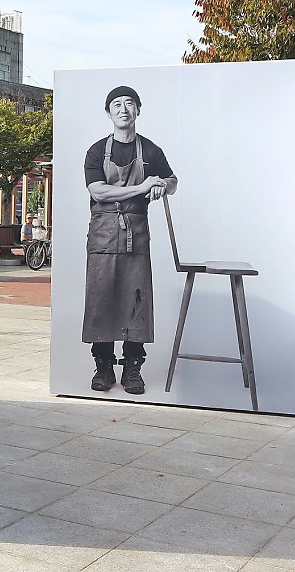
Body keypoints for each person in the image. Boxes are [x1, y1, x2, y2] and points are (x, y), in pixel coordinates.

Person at [82, 86, 177, 394]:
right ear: (108, 112)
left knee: (137, 300)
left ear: (138, 110)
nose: (124, 109)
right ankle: (104, 367)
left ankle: (133, 369)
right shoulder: (96, 151)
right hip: (103, 234)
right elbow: (98, 191)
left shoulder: (150, 150)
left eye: (130, 104)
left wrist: (162, 183)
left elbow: (173, 181)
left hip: (136, 234)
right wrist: (141, 187)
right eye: (117, 105)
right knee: (101, 299)